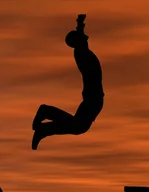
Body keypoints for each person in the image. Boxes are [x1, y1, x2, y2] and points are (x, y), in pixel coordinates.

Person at [31, 14, 104, 150]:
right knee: (79, 126)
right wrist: (80, 25)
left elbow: (81, 37)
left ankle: (44, 127)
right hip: (93, 97)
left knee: (78, 126)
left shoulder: (82, 50)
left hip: (93, 96)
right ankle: (46, 113)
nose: (86, 38)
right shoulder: (81, 53)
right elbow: (81, 40)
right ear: (78, 42)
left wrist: (80, 23)